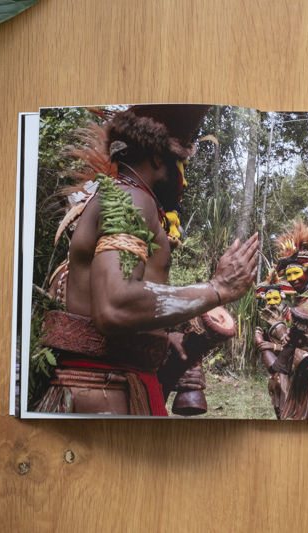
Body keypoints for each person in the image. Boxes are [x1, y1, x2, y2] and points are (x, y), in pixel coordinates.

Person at [37, 105, 259, 416]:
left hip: (107, 387)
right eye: (181, 165)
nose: (182, 179)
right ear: (158, 157)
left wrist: (160, 338)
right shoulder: (130, 198)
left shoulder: (119, 196)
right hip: (104, 394)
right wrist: (217, 288)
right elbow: (114, 306)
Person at [262, 221, 308, 420]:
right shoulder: (299, 298)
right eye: (289, 274)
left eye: (296, 273)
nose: (292, 279)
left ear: (307, 271)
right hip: (297, 369)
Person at [254, 269, 295, 418]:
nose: (271, 303)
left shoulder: (290, 315)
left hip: (291, 365)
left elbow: (294, 343)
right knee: (278, 400)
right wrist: (263, 336)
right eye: (269, 299)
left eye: (275, 298)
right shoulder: (268, 314)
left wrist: (275, 347)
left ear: (282, 297)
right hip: (276, 365)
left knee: (288, 400)